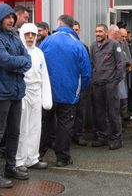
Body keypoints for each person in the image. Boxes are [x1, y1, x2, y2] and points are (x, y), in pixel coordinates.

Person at [0, 3, 32, 189]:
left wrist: (18, 63)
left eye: (12, 17)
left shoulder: (14, 37)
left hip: (16, 91)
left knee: (14, 131)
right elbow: (5, 61)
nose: (11, 20)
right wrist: (19, 62)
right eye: (7, 17)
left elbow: (27, 60)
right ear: (0, 19)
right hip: (0, 92)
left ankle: (10, 167)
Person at [39, 15, 91, 167]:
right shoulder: (78, 45)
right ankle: (62, 158)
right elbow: (86, 72)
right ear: (71, 25)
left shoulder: (47, 41)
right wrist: (83, 90)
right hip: (70, 93)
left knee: (45, 123)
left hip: (48, 93)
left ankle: (38, 154)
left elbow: (38, 64)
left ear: (59, 24)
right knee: (65, 125)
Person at [15, 24, 52, 171]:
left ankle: (32, 157)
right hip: (23, 93)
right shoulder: (18, 52)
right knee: (22, 127)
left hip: (36, 93)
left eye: (33, 34)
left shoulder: (39, 52)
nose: (30, 37)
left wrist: (46, 97)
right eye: (27, 34)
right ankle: (19, 160)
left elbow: (44, 75)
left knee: (36, 127)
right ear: (22, 34)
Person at [90, 24, 126, 150]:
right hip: (97, 84)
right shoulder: (93, 46)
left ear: (106, 33)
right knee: (99, 113)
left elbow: (120, 66)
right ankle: (102, 137)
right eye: (96, 31)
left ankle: (116, 139)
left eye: (100, 31)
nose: (98, 34)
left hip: (110, 84)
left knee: (113, 112)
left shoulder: (114, 45)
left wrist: (114, 82)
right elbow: (92, 64)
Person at [72, 21, 92, 147]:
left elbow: (87, 66)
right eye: (72, 29)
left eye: (77, 29)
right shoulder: (64, 46)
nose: (75, 31)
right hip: (69, 84)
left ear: (79, 31)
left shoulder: (83, 47)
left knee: (80, 111)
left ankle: (78, 135)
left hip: (81, 84)